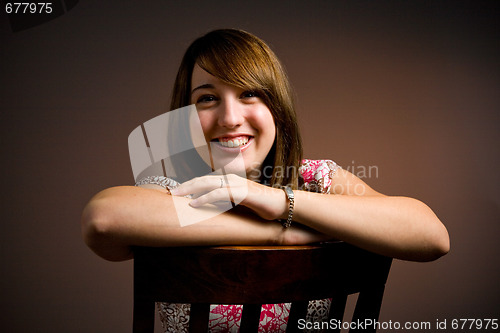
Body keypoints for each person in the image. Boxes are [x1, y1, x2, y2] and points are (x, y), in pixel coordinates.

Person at [82, 29, 449, 332]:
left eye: (249, 94)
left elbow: (431, 236)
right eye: (207, 98)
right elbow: (103, 219)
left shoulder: (313, 179)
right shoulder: (177, 189)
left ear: (277, 108)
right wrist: (281, 233)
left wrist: (279, 202)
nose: (229, 117)